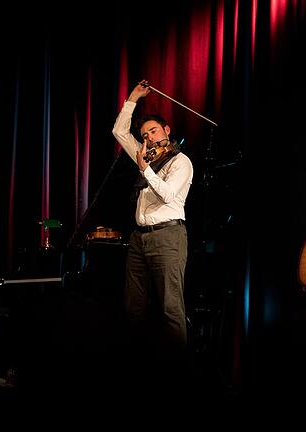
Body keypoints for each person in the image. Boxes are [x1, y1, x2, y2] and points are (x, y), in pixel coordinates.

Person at [111, 80, 193, 353]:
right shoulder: (146, 157)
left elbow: (168, 195)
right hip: (140, 239)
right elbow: (119, 131)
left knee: (171, 307)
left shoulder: (180, 162)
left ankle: (180, 369)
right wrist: (133, 98)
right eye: (144, 135)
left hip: (168, 236)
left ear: (167, 131)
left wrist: (146, 171)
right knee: (133, 307)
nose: (148, 138)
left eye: (153, 131)